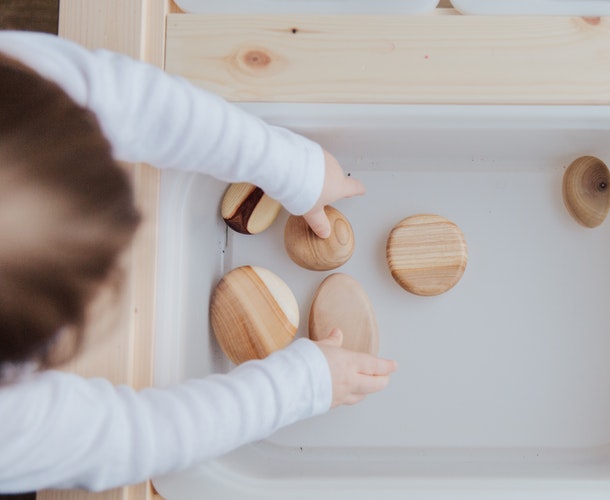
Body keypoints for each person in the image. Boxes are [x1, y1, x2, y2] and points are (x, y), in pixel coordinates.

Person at [0, 31, 398, 493]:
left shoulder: (20, 83)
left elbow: (136, 103)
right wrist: (297, 388)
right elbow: (135, 440)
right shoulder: (11, 430)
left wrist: (290, 166)